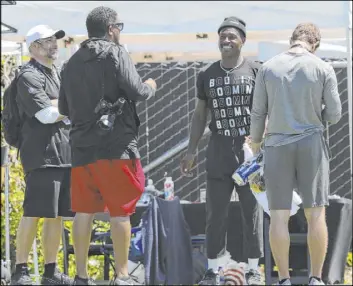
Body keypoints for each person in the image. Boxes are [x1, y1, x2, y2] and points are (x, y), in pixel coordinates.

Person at [58, 6, 157, 286]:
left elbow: (64, 107)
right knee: (120, 211)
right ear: (111, 28)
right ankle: (123, 275)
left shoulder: (71, 63)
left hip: (81, 149)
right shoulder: (116, 53)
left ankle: (80, 275)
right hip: (116, 147)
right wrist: (150, 85)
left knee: (84, 211)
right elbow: (137, 91)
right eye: (119, 27)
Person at [250, 23, 342, 286]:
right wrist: (317, 118)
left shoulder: (267, 68)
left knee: (278, 216)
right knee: (316, 214)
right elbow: (335, 114)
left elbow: (258, 113)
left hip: (276, 145)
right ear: (316, 44)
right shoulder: (323, 68)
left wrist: (256, 145)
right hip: (311, 143)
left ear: (291, 40)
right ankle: (315, 278)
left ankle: (284, 280)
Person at [180, 16, 263, 285]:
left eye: (232, 36)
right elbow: (200, 114)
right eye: (222, 36)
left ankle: (252, 269)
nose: (226, 40)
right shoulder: (207, 75)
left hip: (248, 151)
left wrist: (260, 142)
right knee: (215, 213)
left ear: (243, 40)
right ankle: (213, 269)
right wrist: (191, 151)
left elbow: (267, 109)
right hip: (218, 148)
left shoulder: (256, 70)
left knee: (251, 211)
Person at [11, 25, 74, 285]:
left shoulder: (55, 73)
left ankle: (50, 272)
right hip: (41, 155)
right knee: (33, 213)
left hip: (64, 152)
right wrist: (65, 104)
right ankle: (20, 271)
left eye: (55, 40)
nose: (54, 44)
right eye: (48, 41)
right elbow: (46, 115)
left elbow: (59, 107)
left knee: (56, 215)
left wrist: (57, 102)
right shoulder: (27, 76)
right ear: (34, 47)